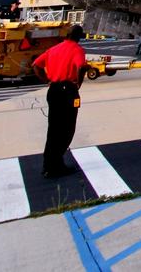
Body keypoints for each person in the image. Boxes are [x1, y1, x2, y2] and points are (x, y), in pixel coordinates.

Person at [32, 25, 89, 178]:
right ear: (78, 36)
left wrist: (47, 80)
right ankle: (56, 165)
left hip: (54, 91)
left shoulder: (54, 49)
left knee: (53, 129)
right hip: (68, 91)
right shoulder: (77, 50)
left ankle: (48, 165)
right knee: (67, 129)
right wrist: (78, 83)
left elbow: (36, 65)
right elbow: (81, 67)